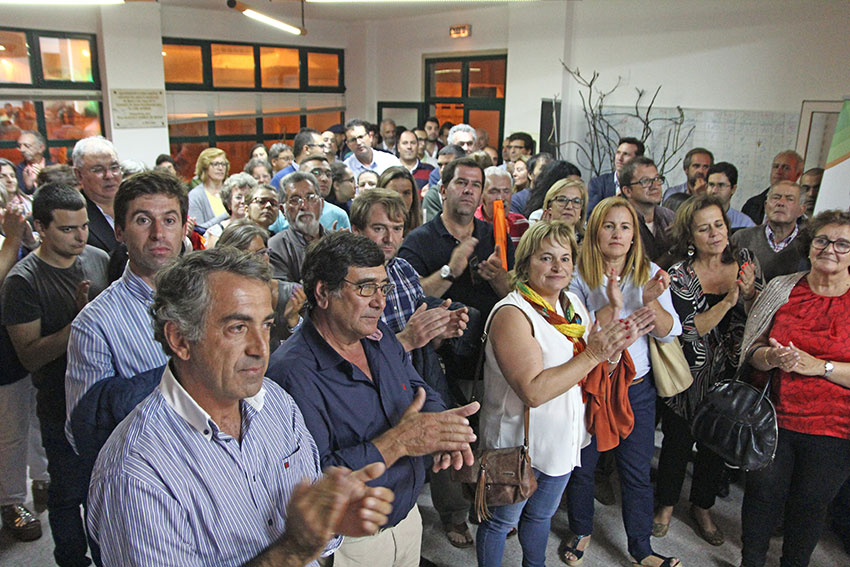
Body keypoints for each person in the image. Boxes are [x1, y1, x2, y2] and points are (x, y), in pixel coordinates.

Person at [87, 247, 394, 567]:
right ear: (179, 339)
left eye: (265, 325)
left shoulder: (276, 402)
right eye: (237, 327)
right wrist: (294, 549)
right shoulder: (136, 473)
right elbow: (300, 546)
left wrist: (332, 519)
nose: (261, 349)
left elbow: (320, 539)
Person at [267, 232, 479, 566]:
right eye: (366, 287)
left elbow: (420, 391)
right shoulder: (291, 375)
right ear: (323, 293)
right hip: (348, 541)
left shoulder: (379, 339)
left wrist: (443, 431)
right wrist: (399, 441)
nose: (380, 301)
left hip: (407, 517)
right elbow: (313, 482)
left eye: (384, 288)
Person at [475, 221, 655, 567]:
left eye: (565, 258)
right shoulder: (513, 314)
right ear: (526, 264)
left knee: (541, 517)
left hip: (563, 437)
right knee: (501, 522)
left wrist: (614, 351)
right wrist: (594, 354)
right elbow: (533, 391)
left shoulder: (572, 305)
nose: (558, 267)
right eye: (546, 258)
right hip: (518, 443)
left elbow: (592, 370)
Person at [561, 196, 682, 567]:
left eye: (625, 227)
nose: (617, 233)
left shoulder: (649, 272)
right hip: (590, 385)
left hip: (636, 388)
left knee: (636, 470)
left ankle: (641, 549)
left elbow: (670, 331)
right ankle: (580, 530)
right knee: (583, 466)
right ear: (595, 231)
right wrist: (612, 306)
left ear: (634, 237)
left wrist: (650, 303)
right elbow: (574, 333)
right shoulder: (577, 272)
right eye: (609, 226)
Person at [1, 183, 110, 565]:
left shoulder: (98, 258)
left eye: (82, 226)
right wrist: (78, 324)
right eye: (67, 229)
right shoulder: (22, 281)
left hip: (105, 399)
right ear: (40, 228)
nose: (80, 236)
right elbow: (29, 356)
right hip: (58, 404)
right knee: (67, 497)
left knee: (108, 495)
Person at [738, 209, 850, 567]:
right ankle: (751, 561)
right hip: (774, 417)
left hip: (835, 427)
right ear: (809, 244)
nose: (830, 248)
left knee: (811, 503)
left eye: (842, 243)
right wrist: (771, 356)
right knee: (760, 495)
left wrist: (822, 367)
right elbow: (750, 353)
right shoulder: (782, 287)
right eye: (822, 239)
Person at [652, 195, 763, 547]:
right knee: (677, 444)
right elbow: (688, 329)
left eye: (719, 224)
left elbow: (761, 315)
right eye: (704, 228)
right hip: (688, 373)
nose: (714, 233)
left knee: (716, 445)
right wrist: (730, 301)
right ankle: (666, 506)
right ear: (690, 236)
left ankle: (702, 507)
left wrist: (747, 297)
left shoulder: (747, 260)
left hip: (732, 373)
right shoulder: (679, 274)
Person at [65, 170, 188, 451]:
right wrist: (184, 372)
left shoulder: (213, 299)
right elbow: (82, 431)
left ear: (183, 229)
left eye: (169, 220)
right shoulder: (95, 322)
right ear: (119, 231)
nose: (158, 233)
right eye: (143, 220)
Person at [216, 219, 306, 351]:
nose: (262, 260)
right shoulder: (218, 298)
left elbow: (309, 348)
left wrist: (294, 321)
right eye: (251, 256)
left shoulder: (291, 294)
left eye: (263, 252)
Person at [731, 181, 808, 282]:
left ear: (801, 210)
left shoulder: (809, 243)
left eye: (789, 199)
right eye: (776, 197)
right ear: (766, 206)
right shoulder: (741, 238)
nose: (781, 203)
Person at [72, 136, 123, 253]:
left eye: (114, 168)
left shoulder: (132, 205)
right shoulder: (73, 215)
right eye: (98, 170)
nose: (109, 175)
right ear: (79, 174)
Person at [619, 157, 675, 263]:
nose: (655, 186)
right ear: (627, 191)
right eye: (645, 181)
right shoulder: (620, 220)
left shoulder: (669, 216)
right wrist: (673, 251)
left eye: (657, 179)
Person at [741, 150, 803, 226]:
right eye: (776, 166)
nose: (778, 171)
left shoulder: (802, 206)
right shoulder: (752, 204)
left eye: (786, 168)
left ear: (798, 174)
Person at [475, 166, 529, 246]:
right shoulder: (471, 223)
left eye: (506, 191)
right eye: (494, 191)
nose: (501, 198)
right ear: (481, 195)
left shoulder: (521, 224)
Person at [588, 137, 644, 213]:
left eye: (626, 154)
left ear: (637, 159)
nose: (619, 158)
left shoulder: (643, 186)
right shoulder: (598, 183)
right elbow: (591, 215)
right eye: (618, 152)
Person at [202, 172, 258, 248]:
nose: (243, 201)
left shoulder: (258, 227)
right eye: (238, 197)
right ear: (228, 202)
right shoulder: (217, 232)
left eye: (247, 197)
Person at [705, 162, 755, 230]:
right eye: (711, 184)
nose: (714, 191)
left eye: (721, 185)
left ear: (733, 189)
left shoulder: (744, 223)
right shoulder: (695, 218)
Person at [188, 148, 229, 228]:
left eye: (223, 164)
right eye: (215, 164)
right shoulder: (195, 196)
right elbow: (198, 230)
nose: (220, 168)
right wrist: (226, 215)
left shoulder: (232, 190)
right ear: (205, 167)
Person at [378, 166, 422, 235]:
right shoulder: (370, 233)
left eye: (406, 193)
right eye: (393, 193)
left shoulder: (423, 232)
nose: (401, 199)